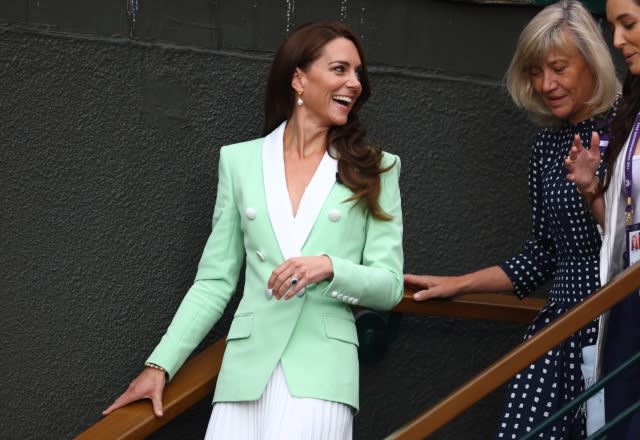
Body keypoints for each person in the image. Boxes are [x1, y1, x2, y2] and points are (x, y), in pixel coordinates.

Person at [102, 21, 404, 439]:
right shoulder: (240, 162)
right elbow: (214, 281)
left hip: (320, 375)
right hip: (245, 374)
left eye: (358, 73)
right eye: (339, 69)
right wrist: (160, 365)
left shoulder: (377, 167)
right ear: (299, 77)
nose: (354, 83)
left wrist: (329, 267)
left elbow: (390, 286)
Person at [404, 1, 619, 438]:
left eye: (558, 68)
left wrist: (594, 190)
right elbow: (542, 254)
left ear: (592, 63)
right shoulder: (545, 148)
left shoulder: (626, 132)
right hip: (559, 325)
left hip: (614, 319)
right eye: (537, 72)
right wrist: (458, 284)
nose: (546, 84)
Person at [565, 0, 640, 437]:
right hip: (625, 299)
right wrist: (594, 190)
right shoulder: (632, 110)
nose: (617, 41)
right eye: (613, 27)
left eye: (628, 24)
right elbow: (622, 226)